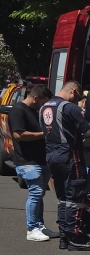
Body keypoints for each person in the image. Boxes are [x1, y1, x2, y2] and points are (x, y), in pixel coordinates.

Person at [40, 81, 90, 251]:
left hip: (51, 155)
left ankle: (65, 236)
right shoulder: (69, 108)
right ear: (73, 91)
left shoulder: (44, 107)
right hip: (69, 155)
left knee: (63, 198)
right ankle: (76, 237)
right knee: (76, 195)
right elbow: (88, 131)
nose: (77, 101)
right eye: (78, 98)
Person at [9, 83, 60, 242]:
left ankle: (40, 226)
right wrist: (43, 134)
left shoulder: (34, 110)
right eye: (44, 102)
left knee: (40, 194)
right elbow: (19, 135)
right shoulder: (18, 111)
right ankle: (32, 229)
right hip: (27, 161)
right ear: (36, 97)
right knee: (36, 193)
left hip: (40, 159)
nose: (45, 106)